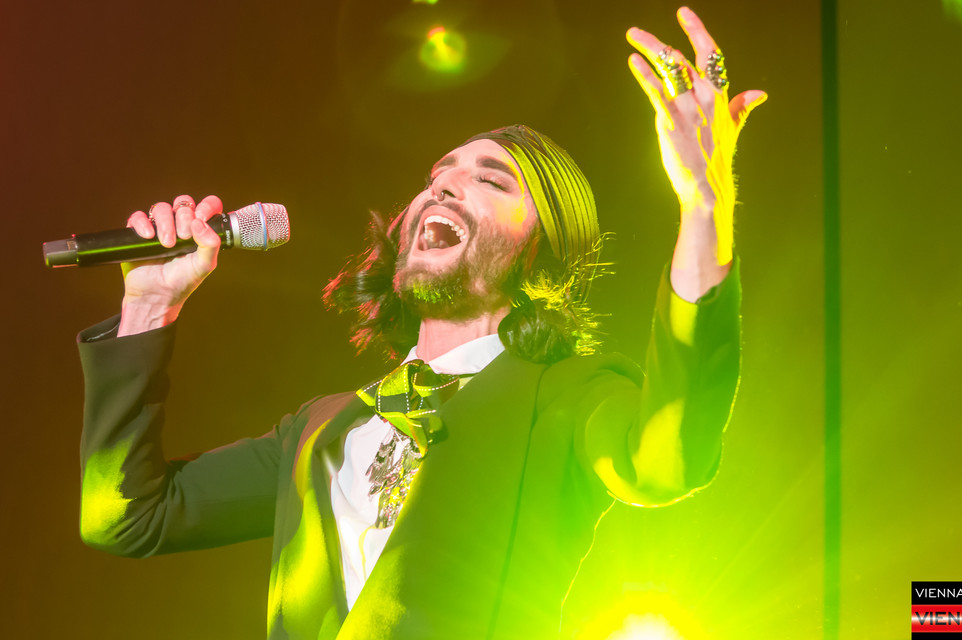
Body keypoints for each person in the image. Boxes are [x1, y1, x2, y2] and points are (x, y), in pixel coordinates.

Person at [75, 7, 765, 639]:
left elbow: (667, 457)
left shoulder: (565, 397)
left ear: (543, 248)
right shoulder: (317, 430)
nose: (445, 184)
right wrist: (149, 305)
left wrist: (704, 206)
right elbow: (127, 518)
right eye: (439, 175)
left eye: (491, 180)